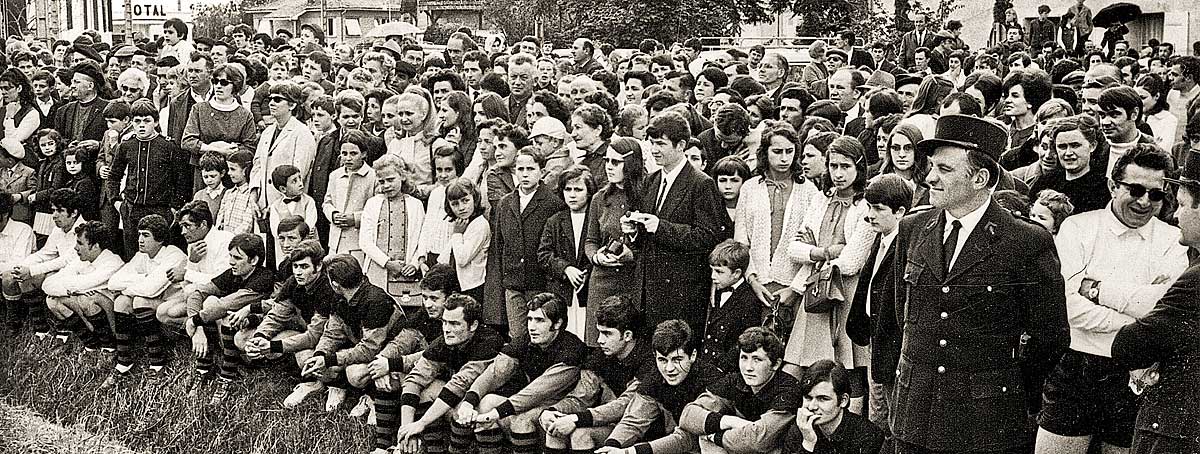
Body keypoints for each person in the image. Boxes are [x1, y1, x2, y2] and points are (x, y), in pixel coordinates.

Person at [887, 114, 1069, 454]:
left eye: (945, 169)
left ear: (980, 178)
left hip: (985, 422)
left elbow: (1050, 337)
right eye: (931, 167)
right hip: (916, 415)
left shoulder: (1025, 242)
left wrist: (1006, 387)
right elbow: (903, 314)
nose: (930, 178)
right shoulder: (913, 228)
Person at [1034, 145, 1187, 454]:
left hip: (1137, 372)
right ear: (1112, 186)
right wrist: (1139, 316)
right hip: (1077, 367)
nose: (1144, 202)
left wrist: (1097, 290)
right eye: (1135, 189)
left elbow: (1163, 308)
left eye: (1156, 195)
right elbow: (1067, 307)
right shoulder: (1078, 228)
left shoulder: (1174, 239)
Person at [1104, 148, 1200, 454]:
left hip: (1178, 432)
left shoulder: (1196, 280)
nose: (1174, 214)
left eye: (1183, 205)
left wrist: (1101, 291)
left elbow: (1130, 344)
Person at [624, 111, 731, 337]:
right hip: (648, 289)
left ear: (681, 145)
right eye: (652, 143)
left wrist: (660, 227)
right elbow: (647, 237)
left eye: (661, 144)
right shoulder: (652, 180)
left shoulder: (701, 184)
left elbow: (709, 236)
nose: (654, 150)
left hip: (681, 292)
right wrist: (634, 231)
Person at [457, 293, 588, 454]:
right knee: (487, 401)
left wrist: (496, 413)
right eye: (530, 319)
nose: (532, 326)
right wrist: (469, 401)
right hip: (536, 404)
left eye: (539, 320)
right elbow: (495, 372)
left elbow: (536, 392)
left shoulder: (571, 349)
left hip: (561, 408)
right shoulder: (527, 339)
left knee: (522, 419)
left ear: (558, 323)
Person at [391, 293, 504, 454]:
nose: (447, 329)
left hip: (496, 407)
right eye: (444, 322)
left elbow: (459, 384)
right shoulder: (445, 340)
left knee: (470, 406)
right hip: (465, 402)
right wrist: (407, 429)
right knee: (428, 389)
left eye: (454, 324)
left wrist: (421, 423)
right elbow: (414, 379)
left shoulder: (489, 341)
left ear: (473, 325)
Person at [539, 295, 653, 453]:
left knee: (581, 434)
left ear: (627, 335)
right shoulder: (601, 355)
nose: (600, 340)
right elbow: (582, 395)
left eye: (607, 334)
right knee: (555, 429)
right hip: (610, 424)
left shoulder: (648, 360)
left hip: (644, 432)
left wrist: (577, 419)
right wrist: (553, 411)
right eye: (599, 332)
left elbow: (625, 404)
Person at [302, 254, 406, 412]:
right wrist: (321, 355)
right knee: (314, 360)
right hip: (365, 351)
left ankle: (372, 398)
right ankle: (337, 387)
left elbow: (371, 349)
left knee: (355, 374)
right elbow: (332, 333)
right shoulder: (339, 298)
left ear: (335, 284)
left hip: (389, 355)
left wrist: (331, 360)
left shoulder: (376, 300)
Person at [182, 233, 275, 403]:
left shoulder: (264, 278)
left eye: (237, 258)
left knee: (223, 314)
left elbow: (225, 306)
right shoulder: (232, 273)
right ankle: (203, 369)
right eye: (230, 256)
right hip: (233, 328)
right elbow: (197, 294)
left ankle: (227, 376)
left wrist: (194, 321)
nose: (231, 261)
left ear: (253, 260)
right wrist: (199, 330)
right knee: (209, 301)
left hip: (256, 332)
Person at [678, 327, 800, 454]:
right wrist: (729, 421)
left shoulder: (788, 388)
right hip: (738, 445)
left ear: (776, 364)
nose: (748, 368)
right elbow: (688, 415)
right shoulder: (736, 380)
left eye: (757, 359)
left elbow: (757, 441)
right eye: (744, 358)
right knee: (696, 433)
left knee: (705, 437)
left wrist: (714, 436)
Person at [101, 214, 187, 382]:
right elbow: (113, 282)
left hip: (174, 310)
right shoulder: (142, 255)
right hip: (155, 305)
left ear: (160, 238)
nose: (140, 239)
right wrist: (144, 278)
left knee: (139, 300)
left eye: (146, 235)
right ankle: (124, 362)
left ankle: (157, 363)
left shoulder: (173, 255)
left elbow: (151, 290)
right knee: (121, 301)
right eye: (140, 234)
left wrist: (140, 282)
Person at [494, 146, 566, 340]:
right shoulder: (505, 203)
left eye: (530, 169)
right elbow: (499, 245)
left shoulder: (553, 203)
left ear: (542, 171)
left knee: (542, 335)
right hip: (514, 283)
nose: (525, 174)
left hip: (541, 283)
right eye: (520, 169)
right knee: (518, 336)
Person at [108, 99, 191, 259]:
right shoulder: (126, 145)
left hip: (160, 210)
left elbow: (181, 180)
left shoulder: (168, 146)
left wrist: (174, 207)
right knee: (133, 255)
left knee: (159, 256)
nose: (141, 125)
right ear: (132, 122)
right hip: (132, 210)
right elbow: (113, 176)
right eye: (137, 121)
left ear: (156, 121)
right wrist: (116, 201)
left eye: (147, 121)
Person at [4, 188, 84, 335]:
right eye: (53, 210)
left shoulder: (83, 230)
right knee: (25, 279)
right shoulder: (58, 229)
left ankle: (64, 327)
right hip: (62, 272)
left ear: (74, 213)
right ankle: (41, 328)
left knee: (44, 279)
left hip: (81, 276)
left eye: (60, 211)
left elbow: (67, 261)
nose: (54, 216)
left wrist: (32, 270)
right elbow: (45, 254)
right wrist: (22, 267)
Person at [40, 221, 123, 349]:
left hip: (113, 319)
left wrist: (76, 287)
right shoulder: (81, 260)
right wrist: (71, 290)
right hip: (89, 307)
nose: (75, 248)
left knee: (88, 300)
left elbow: (84, 283)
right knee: (52, 300)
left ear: (95, 246)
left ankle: (109, 344)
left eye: (80, 243)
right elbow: (47, 284)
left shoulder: (112, 262)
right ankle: (90, 342)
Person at [537, 166, 595, 340]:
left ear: (589, 192)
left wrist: (586, 272)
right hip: (563, 290)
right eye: (567, 189)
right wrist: (566, 269)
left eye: (578, 190)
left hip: (588, 290)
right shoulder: (555, 221)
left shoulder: (595, 218)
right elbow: (544, 254)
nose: (572, 194)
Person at [155, 201, 234, 328]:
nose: (183, 232)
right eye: (181, 226)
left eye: (187, 226)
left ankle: (203, 331)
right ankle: (198, 328)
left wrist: (187, 273)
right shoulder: (192, 243)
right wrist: (191, 262)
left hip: (220, 297)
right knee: (163, 312)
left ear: (203, 224)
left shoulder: (225, 240)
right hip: (196, 296)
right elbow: (187, 286)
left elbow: (222, 281)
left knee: (181, 306)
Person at [181, 63, 257, 192]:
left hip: (231, 173)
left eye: (224, 83)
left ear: (235, 86)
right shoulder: (199, 109)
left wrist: (233, 149)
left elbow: (250, 147)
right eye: (215, 82)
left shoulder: (245, 115)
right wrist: (215, 148)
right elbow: (187, 141)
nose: (218, 86)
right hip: (204, 173)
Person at [783, 359, 885, 454]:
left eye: (823, 398)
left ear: (843, 400)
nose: (812, 406)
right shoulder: (800, 431)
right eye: (808, 398)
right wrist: (808, 443)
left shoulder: (867, 436)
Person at [253, 82, 317, 208]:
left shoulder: (302, 133)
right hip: (262, 204)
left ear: (292, 105)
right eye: (270, 99)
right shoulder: (267, 132)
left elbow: (298, 176)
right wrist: (253, 198)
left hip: (289, 207)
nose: (271, 103)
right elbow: (257, 166)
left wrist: (276, 206)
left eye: (277, 100)